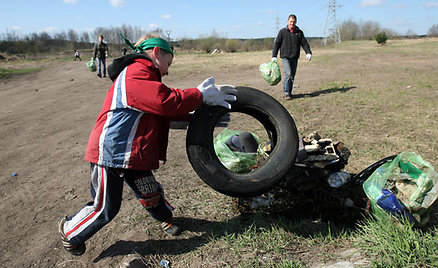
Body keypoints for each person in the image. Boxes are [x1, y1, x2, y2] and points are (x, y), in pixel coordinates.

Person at [58, 33, 237, 256]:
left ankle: (165, 218)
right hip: (110, 153)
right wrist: (198, 95)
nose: (168, 70)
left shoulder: (147, 76)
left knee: (150, 191)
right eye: (168, 63)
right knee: (106, 206)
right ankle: (70, 232)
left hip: (133, 153)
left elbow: (160, 114)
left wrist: (199, 118)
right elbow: (162, 102)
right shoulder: (136, 72)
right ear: (156, 53)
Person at [272, 14, 312, 100]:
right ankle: (286, 93)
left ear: (296, 22)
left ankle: (289, 92)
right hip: (285, 57)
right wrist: (274, 56)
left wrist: (308, 52)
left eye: (293, 22)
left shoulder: (299, 32)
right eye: (291, 21)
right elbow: (277, 44)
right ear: (288, 22)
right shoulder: (282, 32)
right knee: (288, 74)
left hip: (295, 57)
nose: (292, 23)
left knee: (292, 76)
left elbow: (304, 43)